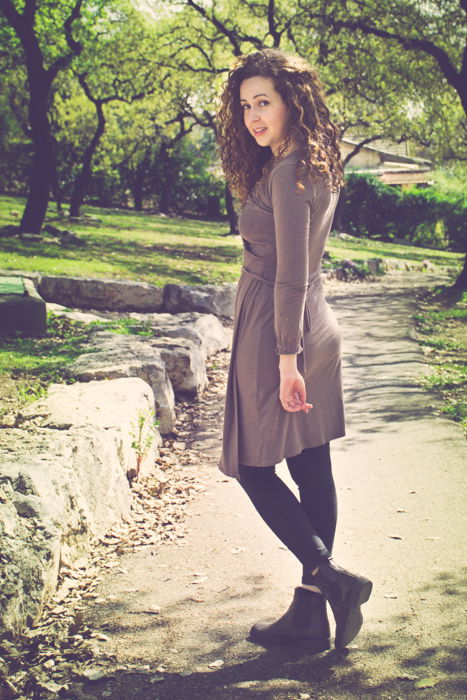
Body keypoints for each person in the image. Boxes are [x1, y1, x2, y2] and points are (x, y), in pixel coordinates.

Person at [215, 48, 372, 652]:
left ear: (292, 102)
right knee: (311, 466)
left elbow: (293, 274)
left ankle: (330, 579)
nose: (254, 115)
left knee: (253, 468)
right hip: (308, 324)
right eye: (246, 104)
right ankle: (310, 615)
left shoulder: (288, 175)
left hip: (282, 329)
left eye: (265, 102)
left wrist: (286, 359)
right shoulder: (311, 162)